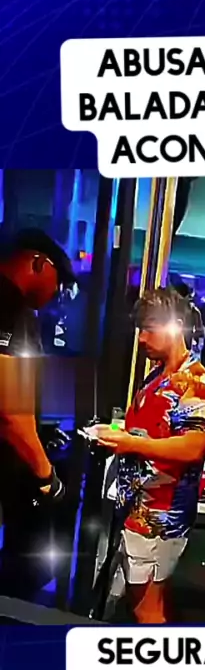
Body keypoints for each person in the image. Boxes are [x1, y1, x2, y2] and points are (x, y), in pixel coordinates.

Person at [96, 287, 205, 624]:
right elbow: (150, 429)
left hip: (158, 516)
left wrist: (130, 444)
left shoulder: (194, 382)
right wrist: (119, 434)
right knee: (151, 601)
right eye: (140, 329)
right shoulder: (158, 374)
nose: (142, 338)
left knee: (144, 609)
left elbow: (193, 446)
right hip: (139, 508)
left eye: (149, 329)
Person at [0, 230, 73, 597]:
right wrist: (47, 476)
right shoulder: (9, 306)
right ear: (38, 263)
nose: (54, 294)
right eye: (57, 283)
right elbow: (10, 410)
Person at [174, 282, 205, 354]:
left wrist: (195, 338)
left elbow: (200, 329)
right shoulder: (172, 306)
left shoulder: (193, 310)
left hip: (185, 342)